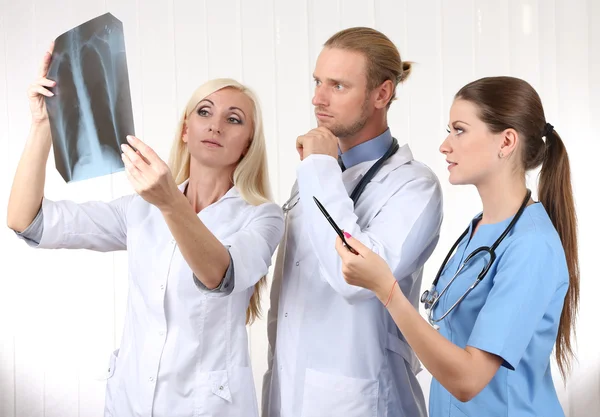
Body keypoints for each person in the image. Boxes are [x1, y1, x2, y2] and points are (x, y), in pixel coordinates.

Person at [7, 44, 284, 417]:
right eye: (204, 112)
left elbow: (222, 274)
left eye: (234, 119)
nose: (216, 125)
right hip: (130, 400)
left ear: (248, 142)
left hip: (207, 407)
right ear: (186, 130)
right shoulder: (139, 209)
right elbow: (27, 220)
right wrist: (43, 126)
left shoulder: (262, 217)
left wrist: (171, 201)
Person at [335, 76, 579, 417]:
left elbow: (468, 380)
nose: (445, 146)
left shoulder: (531, 246)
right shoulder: (478, 230)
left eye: (459, 130)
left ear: (506, 141)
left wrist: (386, 290)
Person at [262, 27, 443, 417]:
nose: (318, 99)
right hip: (288, 391)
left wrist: (319, 167)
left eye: (338, 86)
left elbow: (356, 277)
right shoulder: (315, 174)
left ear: (382, 94)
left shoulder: (414, 186)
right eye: (317, 82)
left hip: (361, 399)